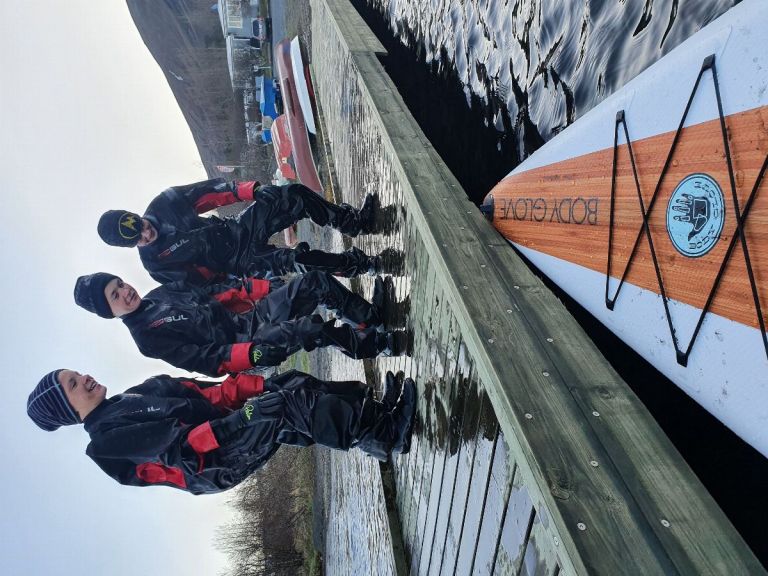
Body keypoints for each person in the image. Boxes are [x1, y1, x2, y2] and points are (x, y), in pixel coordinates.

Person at [26, 368, 416, 494]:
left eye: (76, 374)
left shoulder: (134, 395)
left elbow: (209, 394)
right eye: (74, 386)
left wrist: (254, 389)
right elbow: (180, 450)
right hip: (214, 461)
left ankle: (373, 413)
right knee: (283, 410)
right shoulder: (106, 443)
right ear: (70, 411)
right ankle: (384, 433)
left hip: (223, 427)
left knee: (288, 384)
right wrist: (245, 418)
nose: (85, 378)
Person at [73, 271, 410, 377]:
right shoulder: (146, 337)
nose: (124, 292)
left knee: (313, 283)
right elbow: (205, 362)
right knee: (307, 328)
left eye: (119, 284)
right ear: (110, 312)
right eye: (114, 297)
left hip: (249, 318)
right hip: (245, 349)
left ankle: (370, 319)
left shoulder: (161, 293)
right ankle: (376, 345)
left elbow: (217, 293)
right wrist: (251, 354)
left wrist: (261, 289)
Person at [97, 178, 400, 285]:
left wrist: (252, 191)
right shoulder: (156, 264)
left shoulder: (165, 204)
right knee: (297, 260)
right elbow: (203, 287)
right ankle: (360, 265)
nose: (146, 233)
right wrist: (247, 288)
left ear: (135, 214)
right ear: (131, 246)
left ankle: (353, 222)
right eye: (139, 238)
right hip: (238, 264)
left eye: (142, 225)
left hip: (236, 229)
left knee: (292, 194)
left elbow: (210, 192)